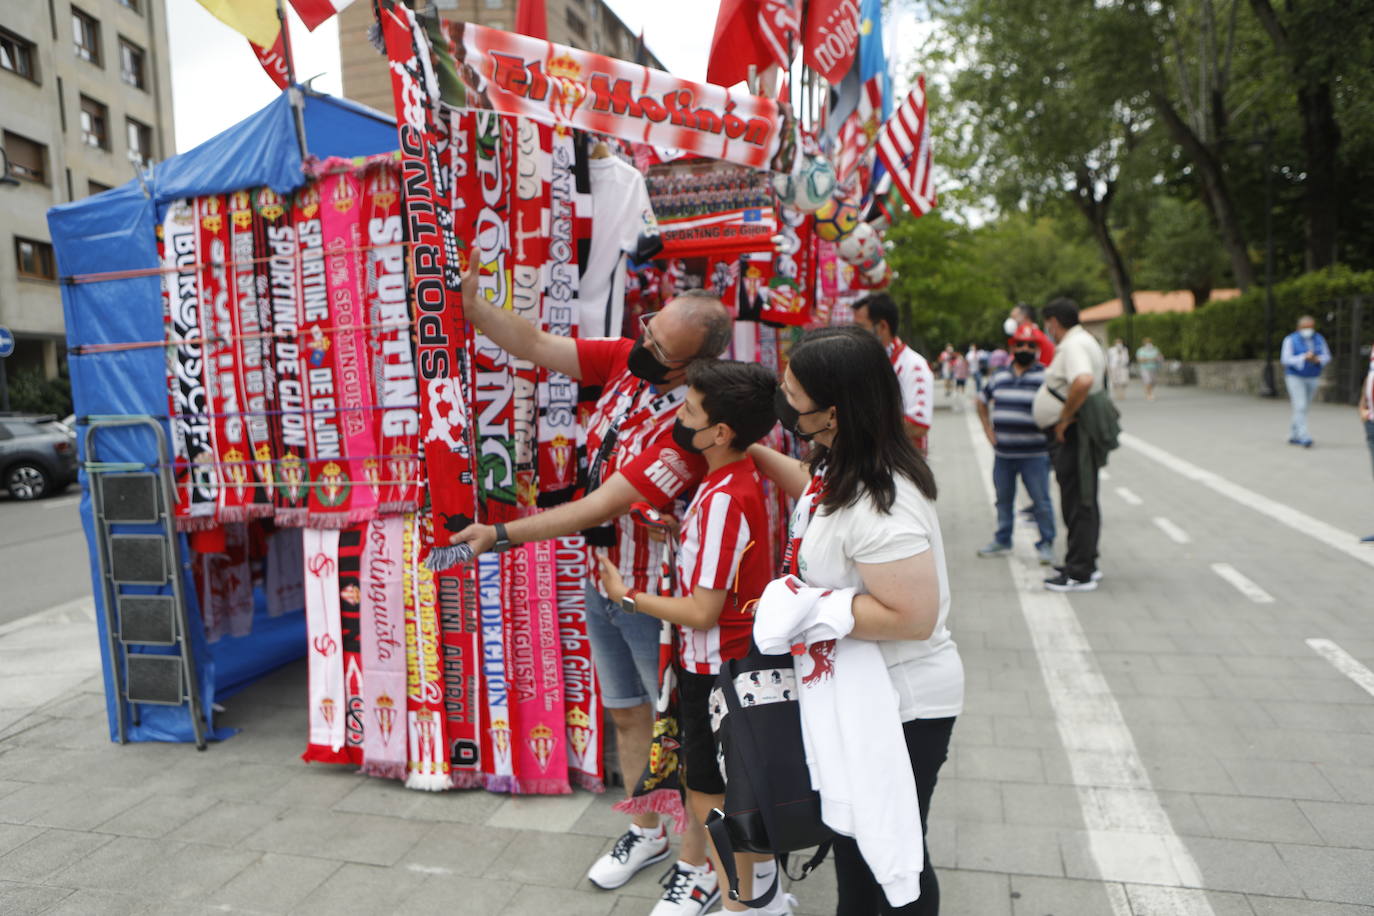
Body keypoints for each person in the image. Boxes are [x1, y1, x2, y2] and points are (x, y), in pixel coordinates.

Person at [447, 266, 733, 900]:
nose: (644, 348)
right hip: (599, 577)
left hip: (654, 593)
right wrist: (474, 306)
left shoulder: (692, 421)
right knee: (626, 715)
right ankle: (650, 827)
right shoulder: (629, 364)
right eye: (648, 332)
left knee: (675, 730)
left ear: (693, 366)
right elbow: (536, 344)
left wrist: (500, 534)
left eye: (661, 349)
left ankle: (700, 862)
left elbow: (603, 504)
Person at [750, 327, 962, 915]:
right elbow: (821, 506)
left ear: (834, 412)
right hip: (860, 691)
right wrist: (752, 455)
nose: (784, 405)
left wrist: (810, 608)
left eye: (793, 396)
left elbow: (911, 616)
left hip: (900, 702)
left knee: (887, 851)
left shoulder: (882, 500)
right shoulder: (840, 464)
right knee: (859, 846)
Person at [598, 360, 783, 916]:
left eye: (689, 411)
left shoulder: (727, 493)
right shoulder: (730, 480)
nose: (680, 419)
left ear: (720, 431)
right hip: (720, 665)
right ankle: (746, 893)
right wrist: (684, 533)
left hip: (716, 669)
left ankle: (738, 900)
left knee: (709, 792)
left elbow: (704, 611)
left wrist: (626, 595)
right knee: (713, 786)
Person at [1032, 298, 1108, 592]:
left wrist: (1064, 418)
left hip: (1073, 432)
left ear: (1054, 322)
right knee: (1083, 497)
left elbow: (1083, 381)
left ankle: (1080, 571)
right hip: (1078, 429)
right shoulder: (1085, 340)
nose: (1047, 330)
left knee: (1077, 499)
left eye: (1047, 324)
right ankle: (1085, 559)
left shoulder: (1074, 345)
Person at [976, 326, 1056, 565]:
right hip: (1004, 454)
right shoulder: (999, 375)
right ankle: (1003, 539)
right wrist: (988, 431)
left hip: (1035, 454)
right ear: (1012, 347)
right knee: (1003, 499)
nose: (1025, 349)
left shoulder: (1046, 376)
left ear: (1037, 349)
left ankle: (1046, 542)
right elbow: (981, 401)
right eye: (1020, 344)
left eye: (1030, 345)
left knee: (1041, 501)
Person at [853, 294, 935, 455]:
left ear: (882, 326)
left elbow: (918, 425)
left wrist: (861, 427)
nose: (855, 334)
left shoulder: (913, 366)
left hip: (903, 468)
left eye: (861, 327)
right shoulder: (864, 361)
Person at [1281, 315, 1331, 447]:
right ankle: (1303, 436)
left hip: (1313, 376)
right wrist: (1303, 357)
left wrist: (1317, 359)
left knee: (1303, 407)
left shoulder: (1319, 339)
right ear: (1299, 328)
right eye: (1305, 327)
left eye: (1310, 327)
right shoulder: (1290, 339)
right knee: (1301, 406)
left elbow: (1327, 356)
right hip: (1295, 376)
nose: (1308, 329)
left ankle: (1293, 434)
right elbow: (1285, 359)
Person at [1004, 302, 1056, 367]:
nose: (1010, 321)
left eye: (1013, 317)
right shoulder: (1042, 336)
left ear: (1025, 317)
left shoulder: (1027, 336)